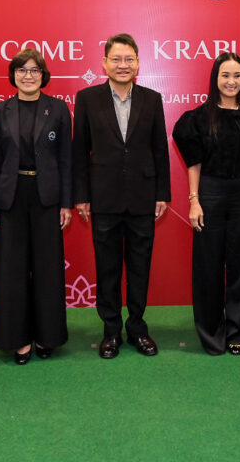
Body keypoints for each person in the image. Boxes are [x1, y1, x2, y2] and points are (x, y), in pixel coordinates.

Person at [173, 52, 240, 355]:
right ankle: (211, 334)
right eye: (225, 75)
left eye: (236, 76)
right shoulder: (197, 118)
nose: (231, 81)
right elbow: (193, 162)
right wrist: (194, 201)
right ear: (215, 79)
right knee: (208, 267)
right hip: (210, 195)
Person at [73, 33, 170, 359]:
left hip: (143, 198)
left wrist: (162, 193)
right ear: (105, 63)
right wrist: (82, 195)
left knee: (140, 267)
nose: (123, 64)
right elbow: (79, 152)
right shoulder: (87, 98)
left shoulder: (152, 99)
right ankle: (111, 331)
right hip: (104, 198)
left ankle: (138, 328)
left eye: (129, 59)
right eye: (116, 59)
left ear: (138, 63)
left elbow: (160, 150)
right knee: (108, 268)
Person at [0, 49, 72, 364]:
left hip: (47, 197)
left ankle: (47, 337)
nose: (28, 75)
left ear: (43, 74)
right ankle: (17, 340)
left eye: (34, 70)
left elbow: (65, 161)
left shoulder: (59, 110)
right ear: (14, 75)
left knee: (48, 269)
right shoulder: (0, 111)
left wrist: (66, 202)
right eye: (22, 70)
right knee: (12, 270)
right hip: (11, 197)